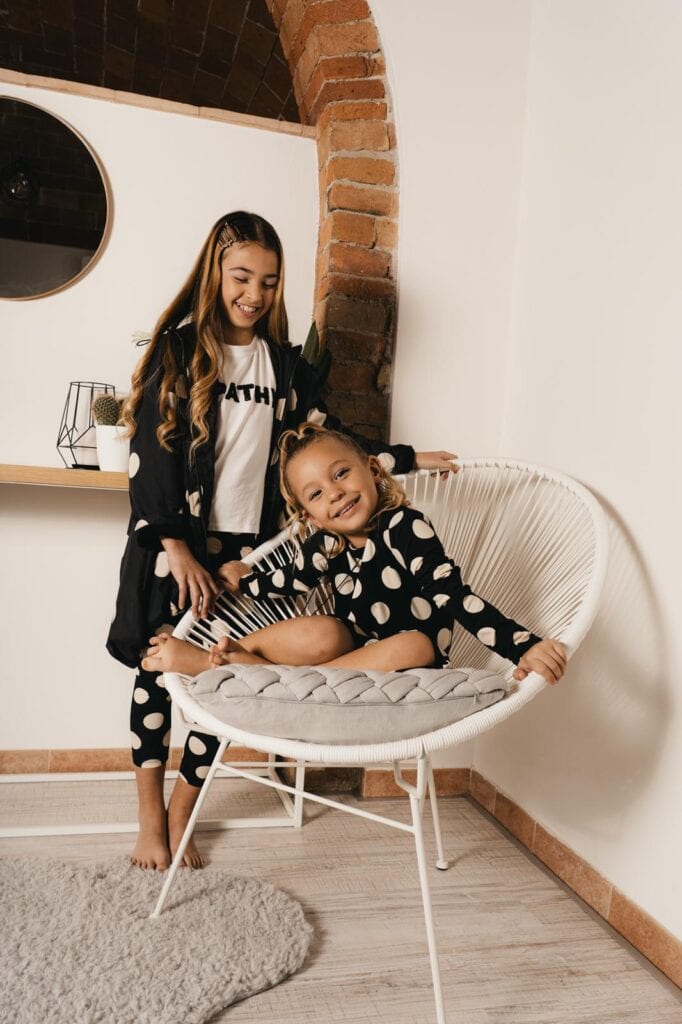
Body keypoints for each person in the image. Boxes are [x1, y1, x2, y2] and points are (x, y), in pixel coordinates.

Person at [107, 212, 457, 871]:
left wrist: (406, 458)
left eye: (268, 282)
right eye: (242, 277)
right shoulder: (179, 354)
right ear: (214, 273)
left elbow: (331, 441)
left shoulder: (286, 368)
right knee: (156, 669)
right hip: (176, 545)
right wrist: (175, 549)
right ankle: (150, 820)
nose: (254, 294)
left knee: (223, 677)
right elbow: (150, 455)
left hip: (246, 552)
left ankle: (184, 812)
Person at [143, 423, 566, 689]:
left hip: (408, 661)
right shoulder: (327, 543)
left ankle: (264, 678)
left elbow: (454, 596)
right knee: (325, 630)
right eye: (316, 494)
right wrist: (245, 579)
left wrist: (521, 647)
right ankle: (230, 654)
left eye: (342, 473)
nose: (335, 493)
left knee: (414, 644)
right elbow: (288, 580)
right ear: (310, 517)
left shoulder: (404, 527)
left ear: (374, 470)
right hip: (352, 653)